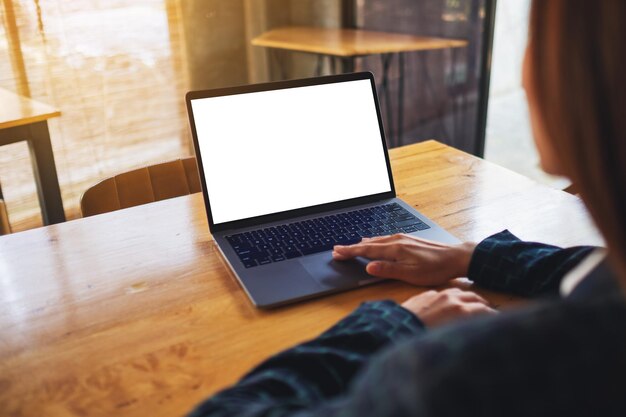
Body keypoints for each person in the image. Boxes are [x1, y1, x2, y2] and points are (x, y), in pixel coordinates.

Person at [189, 1, 626, 416]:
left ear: (580, 78)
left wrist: (394, 322)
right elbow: (599, 270)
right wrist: (471, 256)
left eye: (536, 38)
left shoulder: (462, 372)